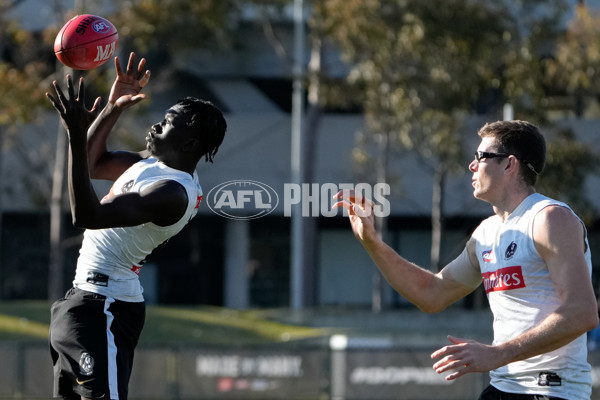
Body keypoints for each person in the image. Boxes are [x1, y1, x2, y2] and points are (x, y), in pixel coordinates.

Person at [333, 120, 598, 400]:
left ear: (510, 165)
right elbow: (431, 294)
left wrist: (498, 354)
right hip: (503, 387)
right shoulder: (486, 233)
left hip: (552, 391)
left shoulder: (550, 218)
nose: (472, 166)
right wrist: (373, 244)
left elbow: (582, 312)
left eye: (481, 157)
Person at [45, 52, 227, 400]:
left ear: (189, 144)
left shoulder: (173, 192)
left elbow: (87, 216)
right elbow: (92, 163)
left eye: (169, 122)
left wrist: (75, 133)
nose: (156, 125)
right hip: (82, 302)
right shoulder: (151, 165)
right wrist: (112, 107)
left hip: (106, 308)